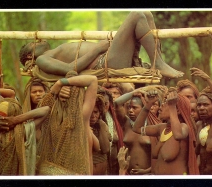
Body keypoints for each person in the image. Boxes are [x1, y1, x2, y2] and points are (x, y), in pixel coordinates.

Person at [19, 12, 184, 79]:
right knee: (136, 15)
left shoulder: (53, 51)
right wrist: (97, 49)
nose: (39, 41)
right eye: (34, 43)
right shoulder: (42, 60)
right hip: (104, 62)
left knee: (146, 14)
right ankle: (159, 64)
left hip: (107, 55)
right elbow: (70, 69)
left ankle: (158, 61)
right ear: (29, 55)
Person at [36, 71, 98, 175]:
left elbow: (93, 80)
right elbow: (92, 80)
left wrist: (59, 83)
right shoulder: (52, 112)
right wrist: (60, 84)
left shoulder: (79, 117)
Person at [132, 88, 199, 175]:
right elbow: (136, 128)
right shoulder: (162, 128)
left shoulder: (184, 127)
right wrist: (148, 104)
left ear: (177, 110)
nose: (161, 105)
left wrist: (172, 107)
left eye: (166, 103)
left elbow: (177, 135)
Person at [0, 98, 50, 175]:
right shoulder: (22, 132)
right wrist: (16, 120)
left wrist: (14, 120)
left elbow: (46, 109)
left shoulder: (20, 132)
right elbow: (46, 110)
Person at [114, 88, 153, 175]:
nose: (130, 110)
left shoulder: (152, 125)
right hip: (129, 174)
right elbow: (117, 103)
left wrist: (146, 171)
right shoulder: (126, 123)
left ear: (143, 109)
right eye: (129, 107)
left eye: (134, 108)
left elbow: (159, 157)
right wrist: (133, 93)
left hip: (148, 175)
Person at [97, 86, 124, 175]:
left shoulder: (113, 118)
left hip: (115, 167)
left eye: (106, 103)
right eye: (101, 103)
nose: (104, 106)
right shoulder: (92, 120)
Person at [195, 86, 212, 175]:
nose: (201, 108)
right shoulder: (199, 124)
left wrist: (208, 80)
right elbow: (197, 151)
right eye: (199, 105)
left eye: (206, 104)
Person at [90, 94, 111, 175]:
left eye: (96, 112)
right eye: (90, 112)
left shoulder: (102, 125)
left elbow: (105, 149)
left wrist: (101, 125)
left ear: (100, 112)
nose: (93, 116)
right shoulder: (81, 127)